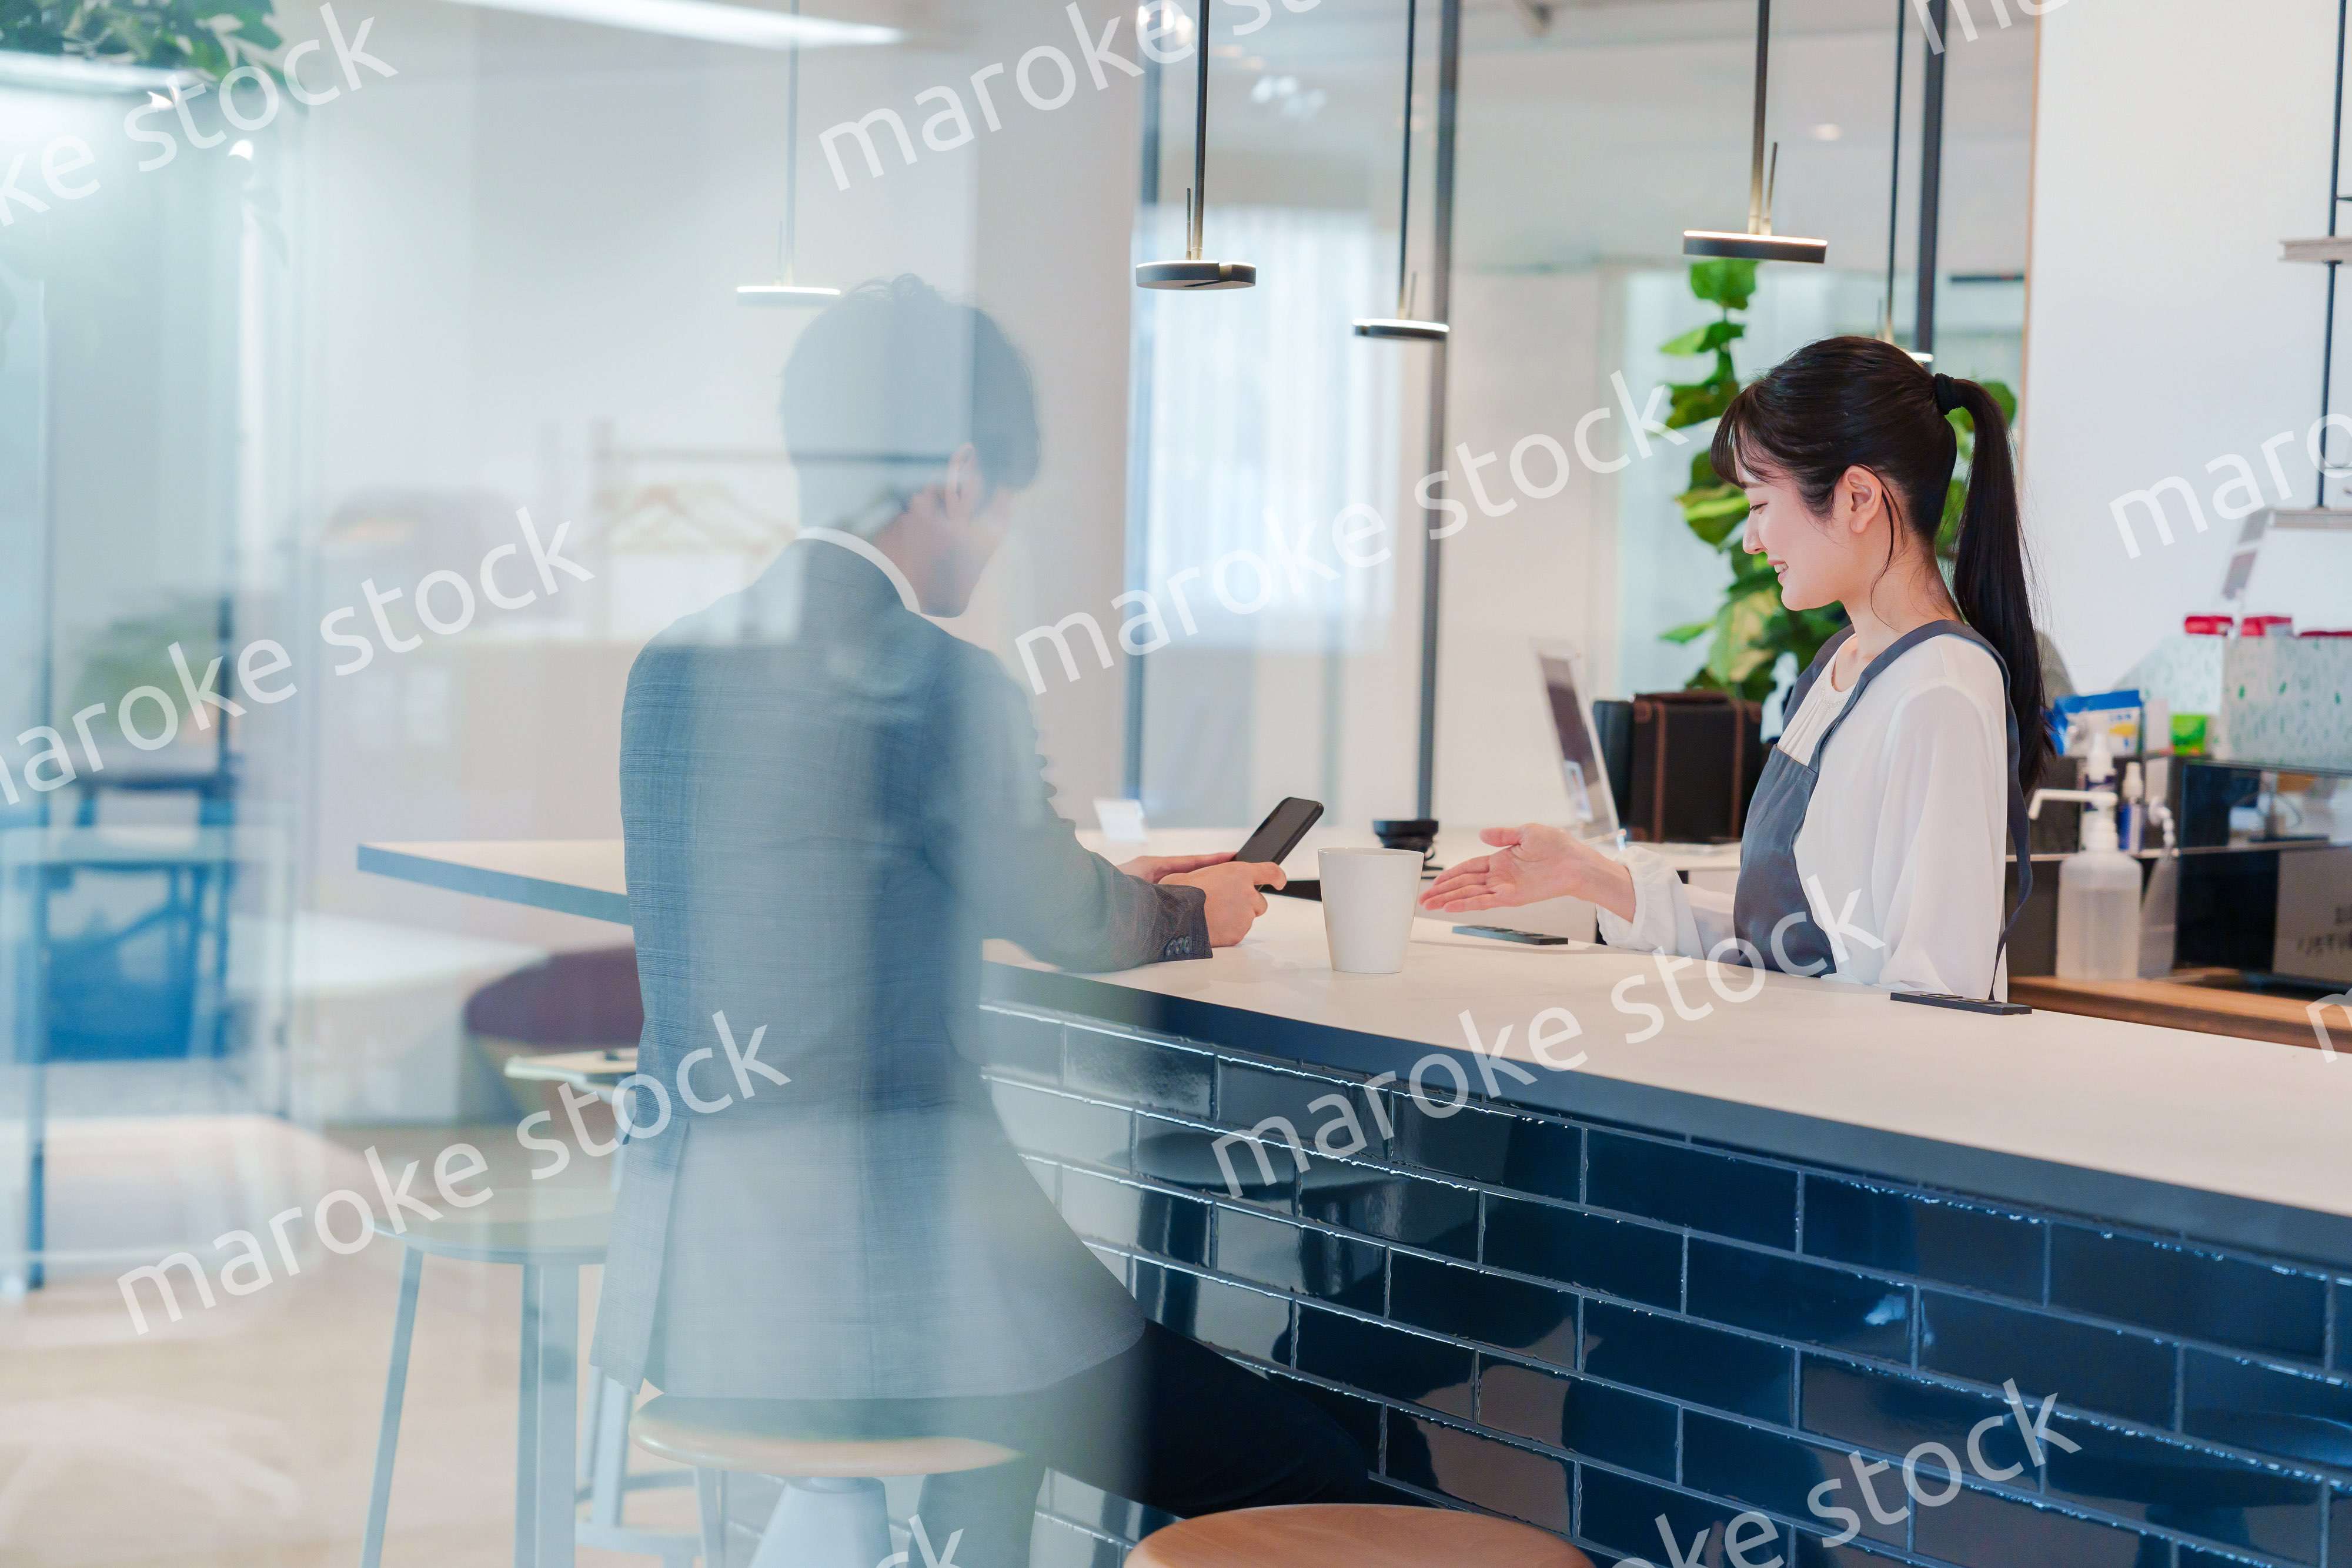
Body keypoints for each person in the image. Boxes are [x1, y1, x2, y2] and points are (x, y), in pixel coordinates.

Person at [592, 276, 1379, 1568]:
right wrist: (1198, 910)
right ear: (955, 478)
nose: (997, 535)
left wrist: (1129, 881)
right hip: (902, 1286)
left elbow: (872, 875)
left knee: (1000, 1455)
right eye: (1005, 502)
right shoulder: (932, 678)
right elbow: (1064, 915)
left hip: (711, 1289)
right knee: (1299, 1467)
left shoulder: (673, 662)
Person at [1425, 335, 2047, 999]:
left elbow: (1937, 993)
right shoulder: (1841, 665)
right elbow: (1785, 943)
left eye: (1758, 505)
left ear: (1858, 498)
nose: (1752, 540)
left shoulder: (1939, 692)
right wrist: (1589, 874)